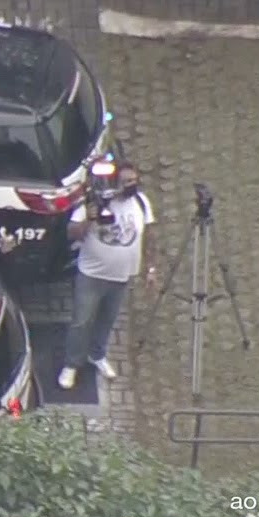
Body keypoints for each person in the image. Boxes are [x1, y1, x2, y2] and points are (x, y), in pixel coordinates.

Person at [58, 162, 157, 389]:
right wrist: (90, 219)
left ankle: (97, 354)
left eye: (134, 180)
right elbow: (72, 233)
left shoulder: (141, 202)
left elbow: (149, 236)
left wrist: (151, 268)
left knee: (107, 319)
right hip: (91, 275)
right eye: (126, 181)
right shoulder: (93, 201)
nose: (132, 185)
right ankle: (72, 363)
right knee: (81, 321)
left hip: (121, 276)